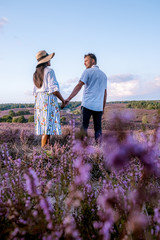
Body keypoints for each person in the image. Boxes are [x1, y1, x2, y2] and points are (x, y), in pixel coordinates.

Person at [64, 53, 107, 142]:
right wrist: (103, 108)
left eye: (86, 61)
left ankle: (81, 149)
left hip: (87, 105)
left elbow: (79, 85)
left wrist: (68, 98)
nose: (84, 63)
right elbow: (105, 93)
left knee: (84, 127)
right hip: (98, 107)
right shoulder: (104, 75)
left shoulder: (87, 72)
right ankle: (99, 149)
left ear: (93, 61)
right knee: (98, 129)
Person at [33, 50, 65, 147]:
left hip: (39, 100)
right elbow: (54, 89)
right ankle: (43, 152)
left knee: (46, 127)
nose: (50, 60)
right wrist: (63, 101)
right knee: (47, 128)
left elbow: (35, 91)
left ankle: (48, 149)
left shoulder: (35, 74)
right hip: (48, 99)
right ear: (45, 60)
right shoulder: (50, 71)